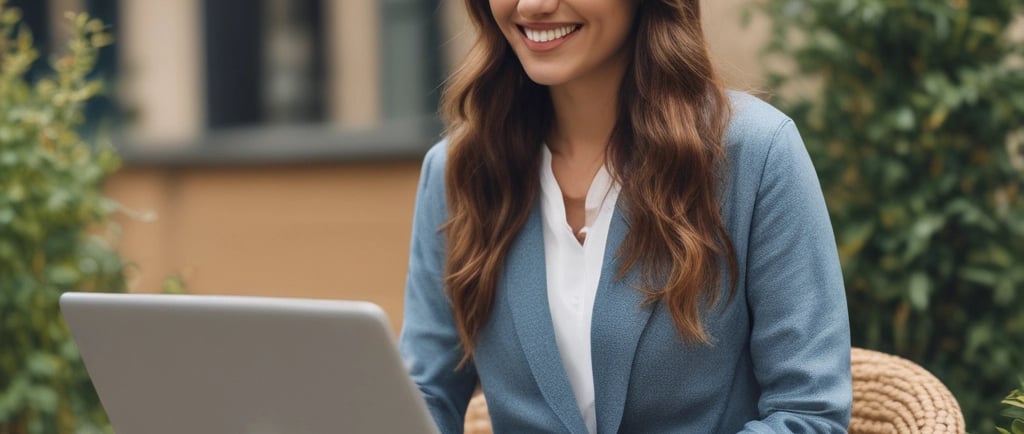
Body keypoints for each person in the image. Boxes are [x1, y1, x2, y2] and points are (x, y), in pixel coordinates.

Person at [398, 0, 852, 432]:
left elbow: (807, 411)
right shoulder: (459, 172)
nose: (533, 6)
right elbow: (425, 395)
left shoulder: (754, 154)